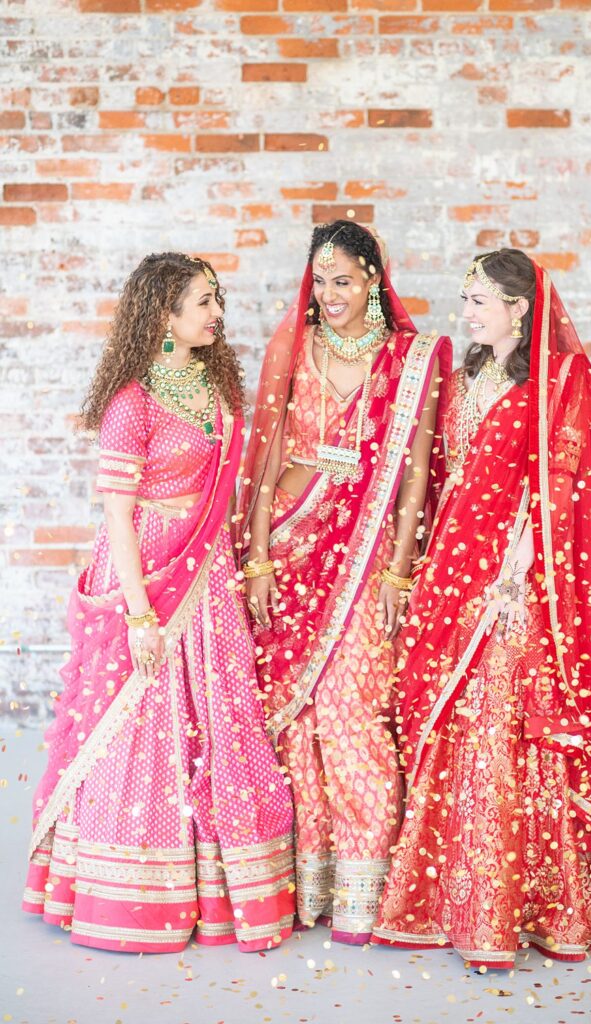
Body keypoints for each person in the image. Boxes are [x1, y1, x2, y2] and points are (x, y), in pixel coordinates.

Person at [372, 249, 591, 965]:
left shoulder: (562, 380)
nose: (466, 311)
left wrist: (517, 572)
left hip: (520, 577)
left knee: (504, 721)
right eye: (464, 298)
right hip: (453, 571)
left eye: (478, 299)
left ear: (519, 307)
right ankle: (455, 890)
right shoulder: (461, 379)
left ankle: (518, 897)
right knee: (455, 721)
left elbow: (564, 489)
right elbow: (448, 480)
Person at [23, 252, 296, 954]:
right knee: (140, 718)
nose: (215, 313)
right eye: (202, 302)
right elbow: (118, 519)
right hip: (144, 573)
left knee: (216, 713)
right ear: (163, 315)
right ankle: (132, 894)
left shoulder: (216, 388)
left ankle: (218, 890)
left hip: (209, 578)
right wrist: (140, 616)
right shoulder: (131, 404)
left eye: (215, 299)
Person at [237, 221, 451, 944]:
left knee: (352, 712)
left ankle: (367, 891)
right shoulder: (292, 348)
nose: (331, 296)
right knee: (296, 722)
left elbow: (417, 472)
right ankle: (312, 888)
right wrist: (258, 558)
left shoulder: (411, 357)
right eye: (320, 281)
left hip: (365, 555)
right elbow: (265, 461)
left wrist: (398, 567)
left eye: (345, 281)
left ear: (372, 281)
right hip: (293, 550)